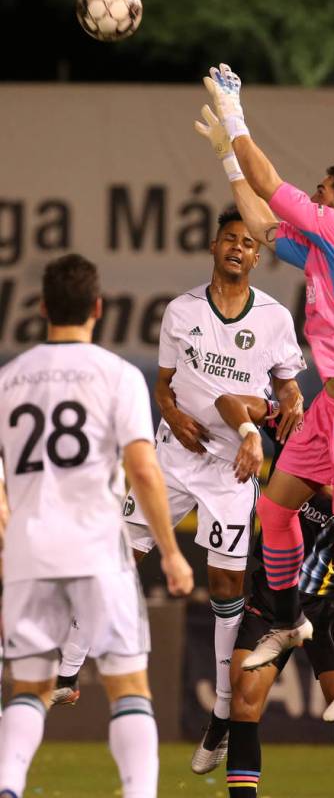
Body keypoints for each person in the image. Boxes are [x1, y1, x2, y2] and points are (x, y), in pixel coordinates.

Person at [49, 210, 306, 772]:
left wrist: (291, 403)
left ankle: (219, 710)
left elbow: (289, 386)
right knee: (118, 553)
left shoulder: (275, 317)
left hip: (233, 468)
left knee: (224, 585)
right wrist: (170, 412)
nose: (238, 248)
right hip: (174, 456)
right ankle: (66, 671)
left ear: (257, 257)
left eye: (248, 243)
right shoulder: (181, 311)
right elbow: (163, 386)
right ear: (213, 245)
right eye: (230, 239)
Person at [196, 64, 334, 721]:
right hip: (329, 409)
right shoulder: (320, 252)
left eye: (321, 193)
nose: (312, 200)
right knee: (276, 507)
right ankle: (287, 622)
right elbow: (260, 221)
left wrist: (235, 115)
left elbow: (270, 184)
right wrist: (227, 158)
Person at [0, 254, 193, 798]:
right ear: (98, 308)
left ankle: (8, 786)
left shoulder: (9, 379)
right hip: (98, 551)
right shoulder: (118, 376)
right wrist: (171, 552)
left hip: (29, 554)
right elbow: (143, 470)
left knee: (29, 688)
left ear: (41, 309)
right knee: (129, 687)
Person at [214, 392, 334, 798]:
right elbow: (227, 400)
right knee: (244, 697)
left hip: (329, 602)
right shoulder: (298, 427)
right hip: (274, 594)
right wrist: (249, 430)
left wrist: (327, 487)